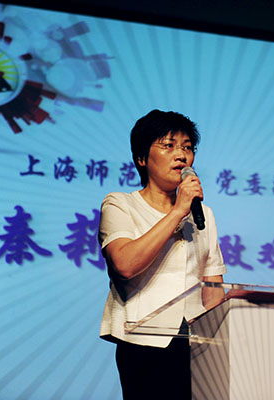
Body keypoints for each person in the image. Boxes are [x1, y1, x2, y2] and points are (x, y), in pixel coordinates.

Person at [98, 109, 226, 399]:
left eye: (187, 147)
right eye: (169, 146)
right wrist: (178, 211)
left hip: (198, 346)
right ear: (141, 158)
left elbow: (212, 289)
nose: (181, 155)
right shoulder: (120, 204)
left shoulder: (204, 214)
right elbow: (125, 265)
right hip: (143, 344)